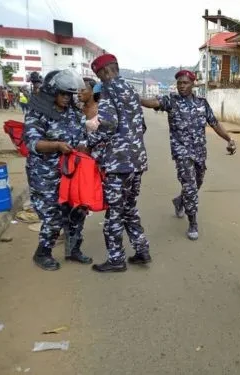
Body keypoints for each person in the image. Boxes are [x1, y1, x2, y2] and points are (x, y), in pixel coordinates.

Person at [141, 70, 237, 241]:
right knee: (190, 185)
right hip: (181, 152)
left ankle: (180, 201)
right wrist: (138, 100)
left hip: (199, 152)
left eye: (185, 83)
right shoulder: (171, 101)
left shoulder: (202, 103)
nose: (181, 86)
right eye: (179, 83)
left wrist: (229, 138)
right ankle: (193, 222)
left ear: (193, 84)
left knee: (198, 181)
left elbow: (214, 123)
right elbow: (153, 102)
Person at [86, 53, 151, 273]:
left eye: (98, 74)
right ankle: (142, 250)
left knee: (114, 212)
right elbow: (141, 126)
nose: (100, 79)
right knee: (130, 208)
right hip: (137, 162)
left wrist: (90, 142)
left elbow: (109, 124)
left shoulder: (108, 90)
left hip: (118, 164)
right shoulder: (131, 90)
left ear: (104, 71)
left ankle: (116, 260)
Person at [24, 69, 93, 271]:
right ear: (51, 92)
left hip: (70, 173)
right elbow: (32, 143)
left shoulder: (73, 113)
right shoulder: (37, 112)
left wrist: (82, 146)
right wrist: (56, 146)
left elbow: (82, 137)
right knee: (52, 216)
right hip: (44, 174)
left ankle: (73, 250)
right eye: (62, 93)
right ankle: (42, 253)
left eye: (69, 94)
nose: (66, 98)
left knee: (76, 211)